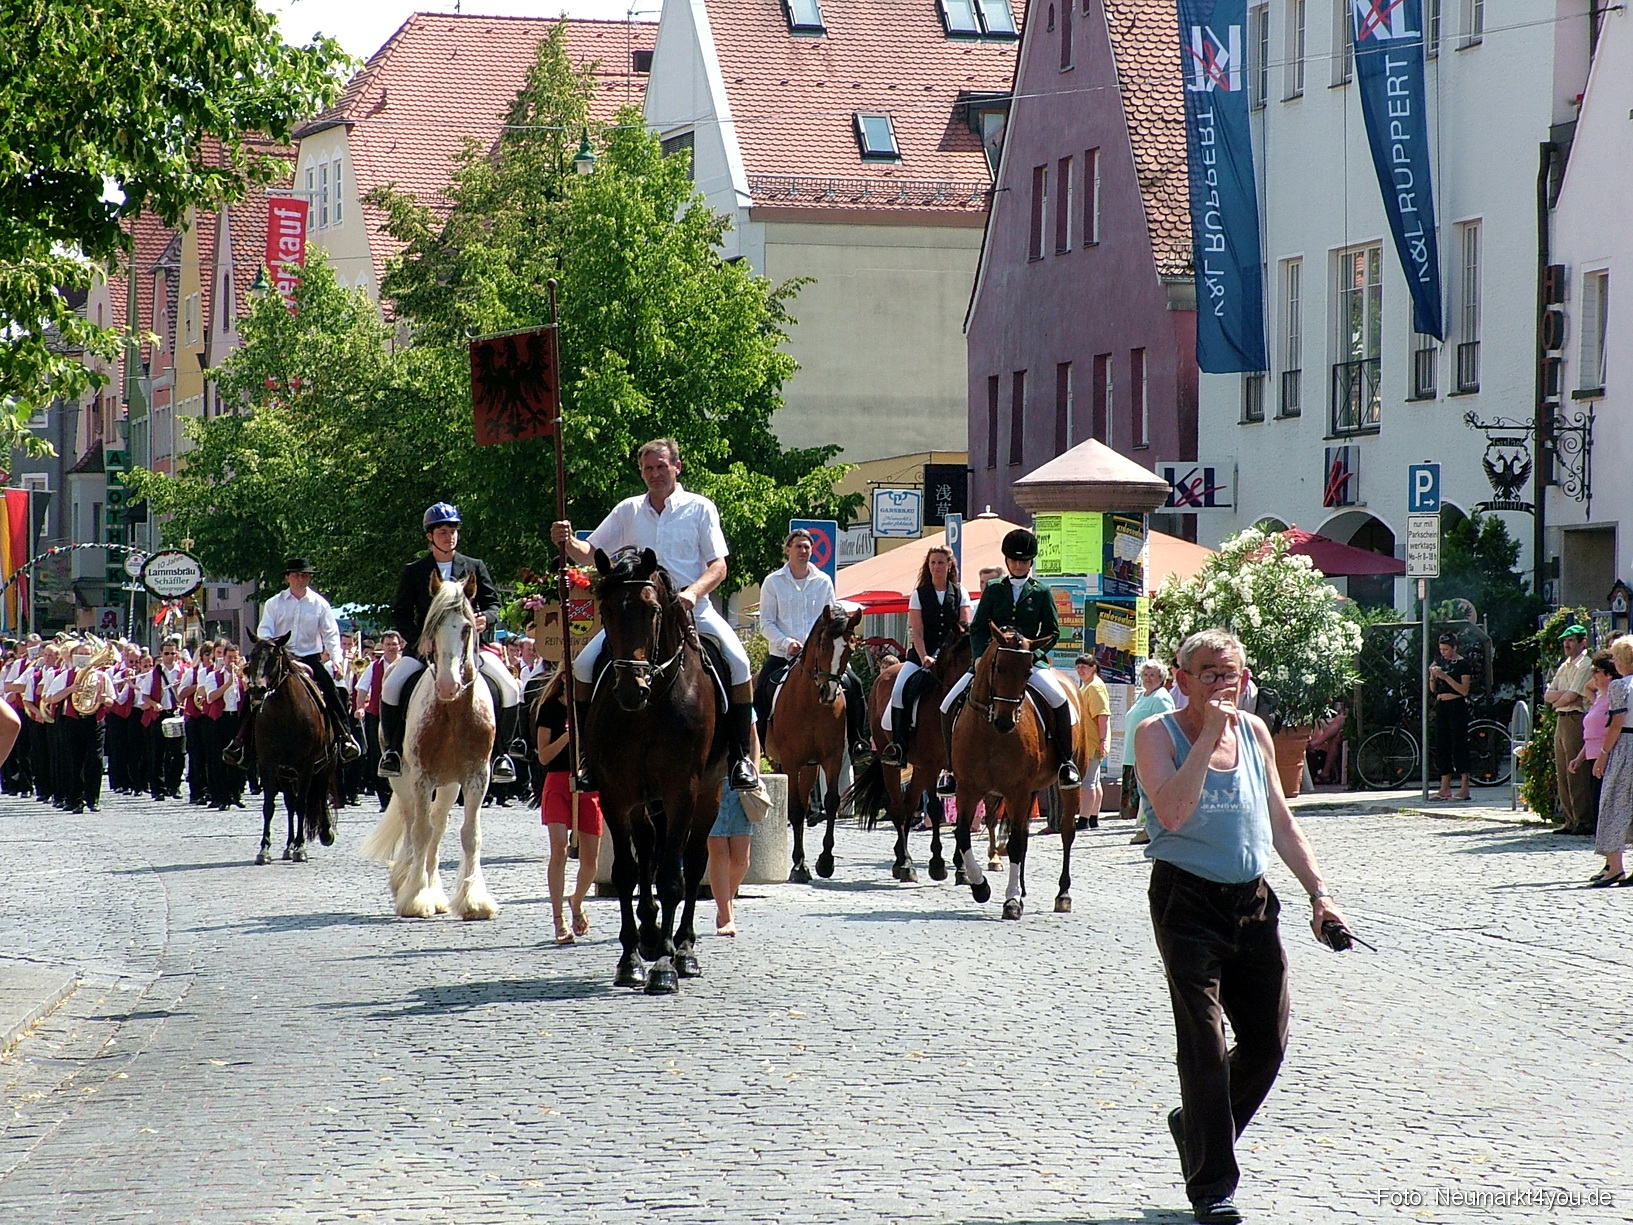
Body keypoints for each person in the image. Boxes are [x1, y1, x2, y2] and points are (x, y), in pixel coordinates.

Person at [1135, 628, 1347, 1225]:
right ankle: (1213, 1188)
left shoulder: (1255, 733)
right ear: (1181, 681)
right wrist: (1205, 738)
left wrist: (1319, 895)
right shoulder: (1158, 733)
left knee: (1265, 1044)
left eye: (1232, 674)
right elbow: (1172, 812)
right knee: (1201, 1043)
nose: (1224, 685)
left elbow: (1280, 821)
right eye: (1209, 675)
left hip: (1253, 900)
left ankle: (1196, 1127)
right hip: (1187, 899)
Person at [551, 438, 760, 792]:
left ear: (676, 467)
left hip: (690, 609)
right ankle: (588, 757)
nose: (655, 474)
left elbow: (719, 566)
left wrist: (692, 593)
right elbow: (591, 552)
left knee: (738, 663)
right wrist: (568, 541)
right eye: (648, 468)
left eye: (661, 466)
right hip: (637, 616)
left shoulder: (699, 508)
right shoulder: (628, 510)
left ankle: (740, 757)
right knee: (584, 666)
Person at [375, 505, 522, 785]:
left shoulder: (474, 566)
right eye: (442, 532)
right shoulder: (415, 571)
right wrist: (421, 640)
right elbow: (401, 613)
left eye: (453, 531)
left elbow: (493, 604)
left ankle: (503, 752)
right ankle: (393, 750)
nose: (449, 537)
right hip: (425, 649)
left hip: (469, 649)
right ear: (430, 536)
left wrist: (484, 619)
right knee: (392, 686)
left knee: (510, 687)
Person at [936, 527, 1078, 796]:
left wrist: (1030, 656)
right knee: (946, 704)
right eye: (1014, 561)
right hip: (992, 663)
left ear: (1030, 563)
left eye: (1023, 562)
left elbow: (1053, 632)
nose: (1018, 565)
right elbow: (978, 628)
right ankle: (950, 769)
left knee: (1059, 700)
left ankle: (1066, 763)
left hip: (1027, 664)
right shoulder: (993, 589)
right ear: (1007, 562)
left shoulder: (1042, 592)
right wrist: (978, 657)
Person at [224, 559, 360, 767]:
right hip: (279, 657)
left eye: (304, 575)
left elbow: (331, 634)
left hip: (309, 657)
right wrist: (271, 644)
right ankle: (240, 742)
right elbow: (265, 630)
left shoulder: (319, 603)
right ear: (287, 578)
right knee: (255, 691)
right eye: (296, 574)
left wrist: (337, 660)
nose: (300, 578)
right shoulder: (274, 603)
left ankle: (345, 738)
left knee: (333, 691)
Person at [755, 528, 869, 759]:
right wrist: (786, 642)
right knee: (762, 689)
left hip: (822, 656)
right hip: (784, 655)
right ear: (788, 549)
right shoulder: (773, 582)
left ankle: (858, 741)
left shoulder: (823, 581)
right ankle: (755, 746)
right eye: (798, 546)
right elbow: (765, 622)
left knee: (854, 684)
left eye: (807, 547)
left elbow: (834, 618)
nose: (803, 551)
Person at [879, 544, 972, 767]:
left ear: (949, 565)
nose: (936, 567)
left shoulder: (961, 593)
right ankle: (899, 747)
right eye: (933, 563)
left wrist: (947, 654)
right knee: (900, 691)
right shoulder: (919, 595)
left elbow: (964, 627)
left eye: (941, 562)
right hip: (921, 656)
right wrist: (925, 657)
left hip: (952, 657)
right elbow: (917, 632)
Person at [534, 666, 604, 944]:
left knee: (590, 861)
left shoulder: (592, 706)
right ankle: (558, 919)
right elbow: (544, 756)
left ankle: (576, 901)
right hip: (558, 781)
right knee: (559, 850)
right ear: (564, 678)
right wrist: (567, 736)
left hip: (588, 785)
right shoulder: (551, 707)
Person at [1589, 635, 1633, 887]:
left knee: (1614, 802)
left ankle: (1615, 866)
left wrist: (1603, 755)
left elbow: (1616, 724)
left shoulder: (1620, 686)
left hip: (1625, 745)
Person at [1544, 624, 1595, 833]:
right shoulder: (1564, 666)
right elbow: (1548, 694)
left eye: (1571, 640)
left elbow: (1573, 695)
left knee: (1576, 770)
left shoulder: (1585, 664)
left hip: (1575, 717)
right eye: (1565, 640)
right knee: (1562, 771)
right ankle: (1569, 819)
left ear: (1583, 642)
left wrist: (1558, 700)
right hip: (1561, 718)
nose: (1566, 644)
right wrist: (1558, 701)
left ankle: (1583, 819)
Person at [1123, 659, 1176, 841]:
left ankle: (1152, 830)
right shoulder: (1143, 695)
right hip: (1135, 752)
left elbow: (1166, 725)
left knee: (1149, 794)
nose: (1148, 678)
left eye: (1152, 675)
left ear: (1161, 678)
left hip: (1150, 753)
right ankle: (1148, 828)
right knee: (1142, 794)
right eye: (1145, 674)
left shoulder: (1161, 698)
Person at [1570, 651, 1616, 852]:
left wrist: (1603, 756)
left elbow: (1612, 730)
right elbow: (1591, 734)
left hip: (1606, 758)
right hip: (1592, 757)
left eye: (1596, 671)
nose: (1593, 675)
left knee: (1606, 809)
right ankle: (1609, 859)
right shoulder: (1599, 697)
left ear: (1609, 675)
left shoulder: (1613, 698)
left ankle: (1613, 860)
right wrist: (1579, 758)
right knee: (1598, 808)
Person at [355, 630, 403, 810]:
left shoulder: (405, 665)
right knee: (377, 756)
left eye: (394, 644)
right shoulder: (374, 667)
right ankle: (385, 800)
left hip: (400, 717)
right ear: (382, 646)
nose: (391, 647)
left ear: (400, 646)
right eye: (388, 644)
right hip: (376, 715)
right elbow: (362, 688)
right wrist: (360, 707)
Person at [1428, 633, 1472, 801]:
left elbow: (1464, 690)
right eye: (1441, 649)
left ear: (1454, 647)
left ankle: (1464, 787)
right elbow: (1433, 689)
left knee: (1459, 744)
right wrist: (1432, 676)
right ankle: (1444, 787)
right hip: (1442, 705)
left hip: (1456, 705)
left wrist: (1446, 677)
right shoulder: (1441, 662)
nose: (1443, 652)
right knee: (1442, 745)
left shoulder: (1462, 665)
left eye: (1446, 649)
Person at [709, 781, 755, 936]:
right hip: (714, 789)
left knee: (742, 861)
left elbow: (754, 755)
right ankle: (727, 916)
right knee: (719, 855)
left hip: (741, 790)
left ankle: (725, 904)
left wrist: (754, 775)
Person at [1075, 654, 1111, 826]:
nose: (1081, 670)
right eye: (1078, 667)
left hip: (1092, 741)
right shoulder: (1088, 686)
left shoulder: (1095, 687)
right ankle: (1093, 817)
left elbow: (1102, 715)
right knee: (1094, 781)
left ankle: (1084, 819)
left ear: (1094, 668)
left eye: (1085, 667)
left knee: (1087, 782)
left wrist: (1103, 740)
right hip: (1090, 740)